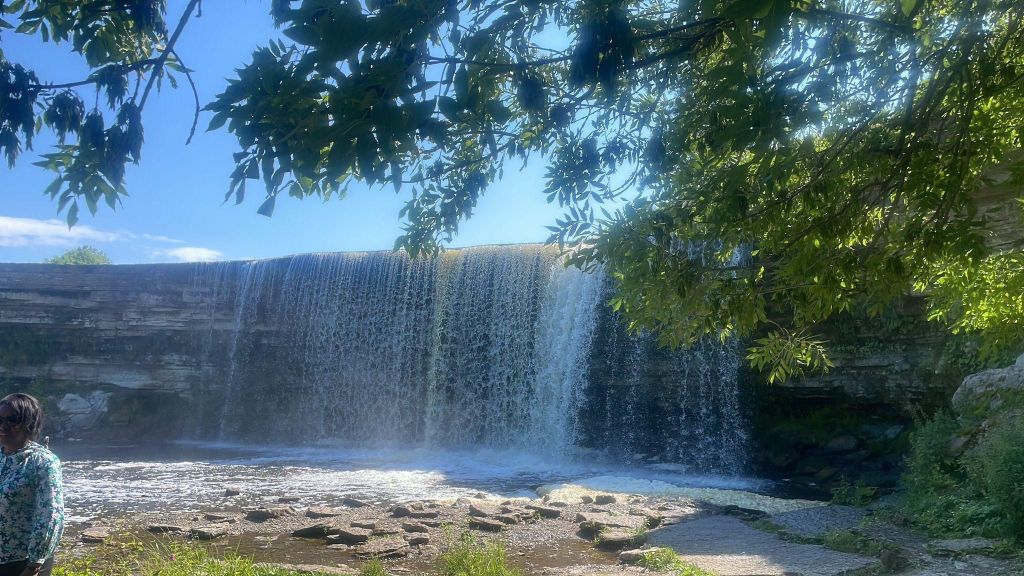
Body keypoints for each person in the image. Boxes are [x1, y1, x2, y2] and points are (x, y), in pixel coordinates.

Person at [0, 394, 64, 576]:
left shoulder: (43, 462)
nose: (3, 426)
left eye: (12, 420)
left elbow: (51, 515)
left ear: (29, 422)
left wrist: (34, 564)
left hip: (23, 563)